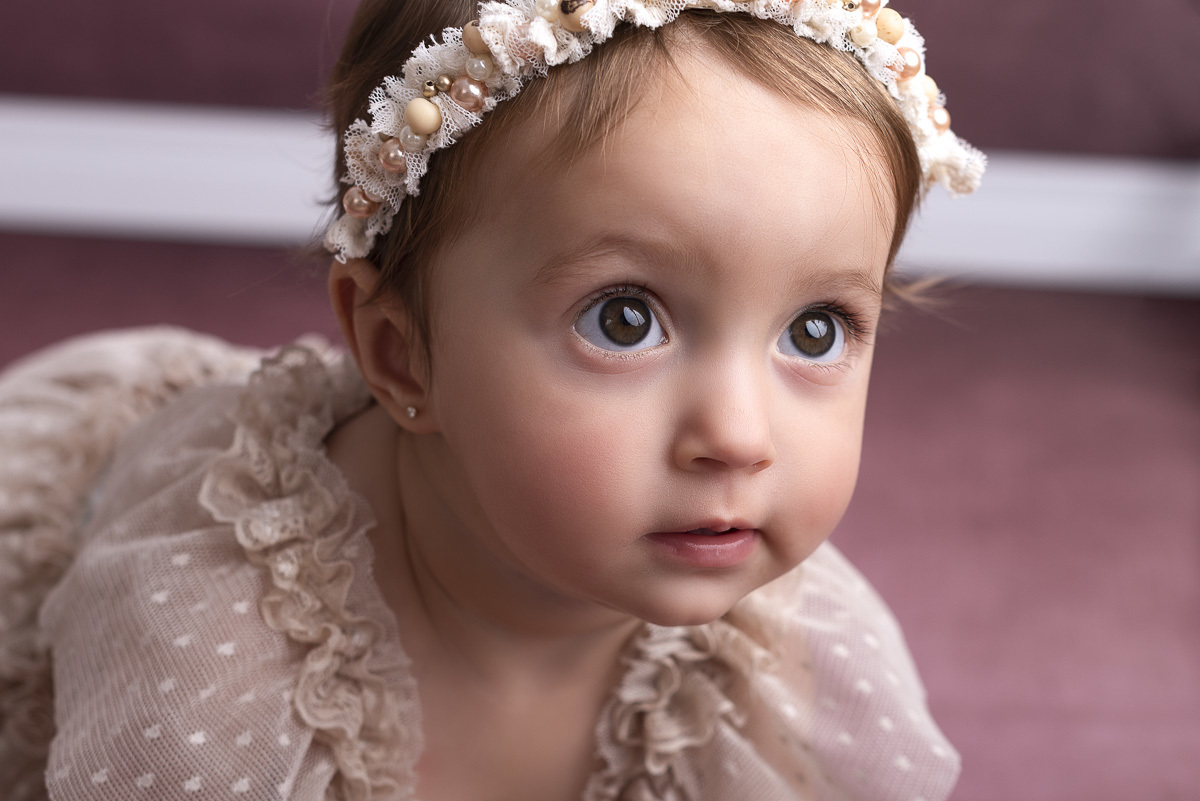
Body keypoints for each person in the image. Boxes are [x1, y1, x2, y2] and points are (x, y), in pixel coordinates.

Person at [0, 1, 985, 799]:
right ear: (402, 356)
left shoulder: (800, 661)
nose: (739, 437)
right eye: (625, 320)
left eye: (813, 330)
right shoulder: (203, 666)